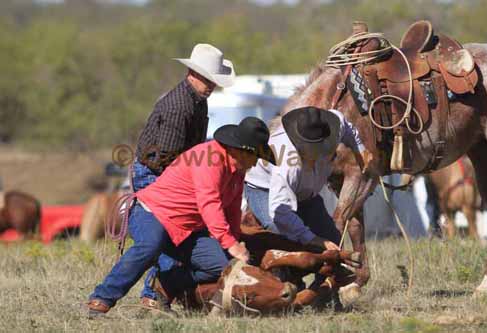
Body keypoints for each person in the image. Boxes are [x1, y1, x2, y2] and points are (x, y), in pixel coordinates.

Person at [87, 117, 275, 316]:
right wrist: (229, 243)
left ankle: (164, 284)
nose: (256, 163)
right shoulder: (210, 159)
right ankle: (101, 299)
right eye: (255, 156)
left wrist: (235, 239)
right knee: (150, 246)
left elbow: (233, 209)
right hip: (152, 213)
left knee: (221, 267)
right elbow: (209, 203)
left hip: (187, 228)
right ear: (240, 150)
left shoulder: (237, 169)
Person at [132, 43, 235, 307]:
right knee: (170, 231)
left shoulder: (197, 100)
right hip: (157, 173)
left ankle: (162, 290)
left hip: (170, 170)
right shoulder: (179, 107)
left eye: (214, 80)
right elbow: (166, 158)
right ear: (192, 73)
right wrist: (187, 188)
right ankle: (154, 294)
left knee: (177, 234)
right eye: (207, 79)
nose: (211, 85)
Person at [245, 106, 373, 254]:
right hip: (263, 188)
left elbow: (346, 125)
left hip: (305, 194)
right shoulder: (287, 164)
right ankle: (284, 275)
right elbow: (280, 213)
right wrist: (313, 239)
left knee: (332, 237)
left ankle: (326, 277)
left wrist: (361, 149)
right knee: (280, 235)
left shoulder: (334, 127)